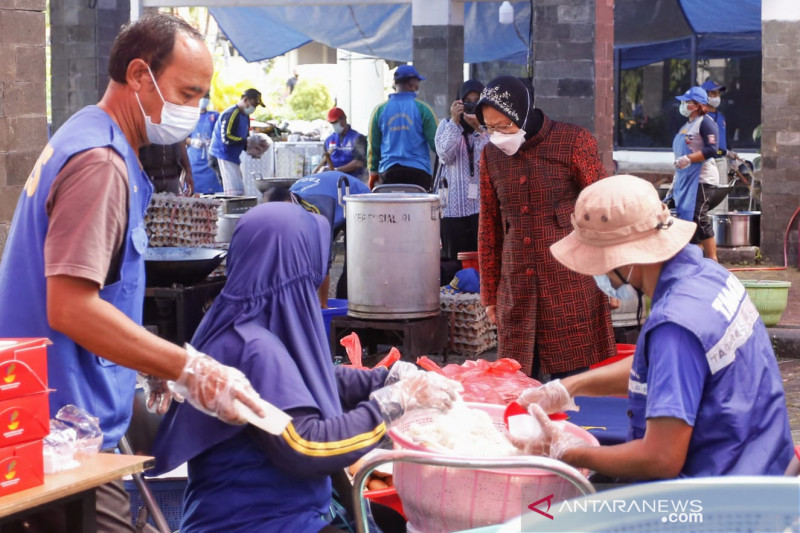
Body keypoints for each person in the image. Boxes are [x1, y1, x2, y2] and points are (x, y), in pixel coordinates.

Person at [0, 13, 265, 533]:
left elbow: (101, 293)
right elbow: (71, 306)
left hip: (54, 410)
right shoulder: (100, 164)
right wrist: (186, 368)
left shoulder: (87, 131)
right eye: (186, 94)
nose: (194, 110)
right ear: (141, 76)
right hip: (59, 433)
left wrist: (140, 364)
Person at [150, 203, 461, 532]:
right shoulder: (252, 348)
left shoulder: (245, 321)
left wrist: (383, 378)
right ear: (299, 266)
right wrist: (389, 406)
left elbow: (309, 377)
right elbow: (309, 447)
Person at [516, 174, 793, 480]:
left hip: (715, 500)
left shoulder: (675, 325)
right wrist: (570, 387)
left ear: (624, 257)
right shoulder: (711, 275)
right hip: (765, 462)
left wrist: (566, 451)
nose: (602, 274)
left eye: (602, 263)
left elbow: (660, 459)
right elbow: (666, 369)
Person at [474, 75, 615, 379]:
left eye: (503, 126)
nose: (496, 135)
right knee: (518, 381)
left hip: (569, 285)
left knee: (572, 383)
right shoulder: (491, 155)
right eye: (489, 127)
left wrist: (613, 277)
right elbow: (489, 227)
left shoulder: (573, 141)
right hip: (516, 285)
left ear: (523, 114)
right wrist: (490, 295)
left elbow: (603, 209)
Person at [267, 171, 370, 307]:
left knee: (352, 264)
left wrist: (322, 306)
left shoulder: (317, 208)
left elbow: (322, 261)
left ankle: (348, 310)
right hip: (331, 195)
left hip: (358, 202)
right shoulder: (286, 206)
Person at [434, 79, 490, 262]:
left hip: (480, 209)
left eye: (477, 100)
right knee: (453, 264)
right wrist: (455, 122)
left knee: (479, 262)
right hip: (452, 209)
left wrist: (479, 130)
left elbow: (490, 163)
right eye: (468, 101)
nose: (472, 105)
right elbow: (445, 155)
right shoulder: (446, 126)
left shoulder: (491, 129)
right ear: (458, 103)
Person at [669, 86, 720, 262]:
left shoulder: (706, 123)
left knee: (699, 216)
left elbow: (713, 149)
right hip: (685, 180)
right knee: (688, 220)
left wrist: (689, 159)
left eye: (687, 102)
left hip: (701, 179)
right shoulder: (687, 125)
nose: (683, 105)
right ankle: (695, 260)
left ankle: (713, 259)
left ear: (697, 105)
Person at [367, 65, 437, 191]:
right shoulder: (424, 110)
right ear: (411, 83)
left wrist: (373, 172)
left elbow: (373, 146)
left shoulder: (379, 111)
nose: (418, 85)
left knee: (389, 211)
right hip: (419, 174)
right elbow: (438, 144)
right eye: (417, 82)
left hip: (389, 173)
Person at [210, 87, 264, 195]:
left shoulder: (245, 116)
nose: (254, 108)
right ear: (245, 100)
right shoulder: (231, 114)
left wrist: (252, 150)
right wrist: (247, 142)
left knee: (239, 190)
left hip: (233, 157)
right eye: (253, 104)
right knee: (233, 193)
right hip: (222, 156)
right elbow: (227, 138)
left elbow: (244, 138)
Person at [701, 79, 739, 181]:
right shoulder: (700, 118)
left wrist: (731, 159)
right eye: (713, 93)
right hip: (707, 162)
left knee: (722, 193)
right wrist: (725, 153)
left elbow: (725, 140)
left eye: (718, 93)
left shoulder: (721, 116)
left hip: (721, 161)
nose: (717, 97)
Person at [317, 107, 368, 182]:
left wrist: (336, 170)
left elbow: (358, 163)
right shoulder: (329, 140)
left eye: (336, 122)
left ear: (344, 119)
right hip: (332, 180)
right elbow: (324, 161)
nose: (334, 125)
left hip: (353, 180)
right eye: (332, 123)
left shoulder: (358, 138)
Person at [187, 92, 222, 194]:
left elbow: (221, 135)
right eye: (201, 96)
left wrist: (213, 141)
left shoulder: (214, 116)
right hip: (194, 160)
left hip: (210, 159)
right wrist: (193, 141)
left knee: (214, 191)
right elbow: (182, 138)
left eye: (206, 97)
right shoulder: (189, 117)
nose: (203, 99)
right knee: (195, 193)